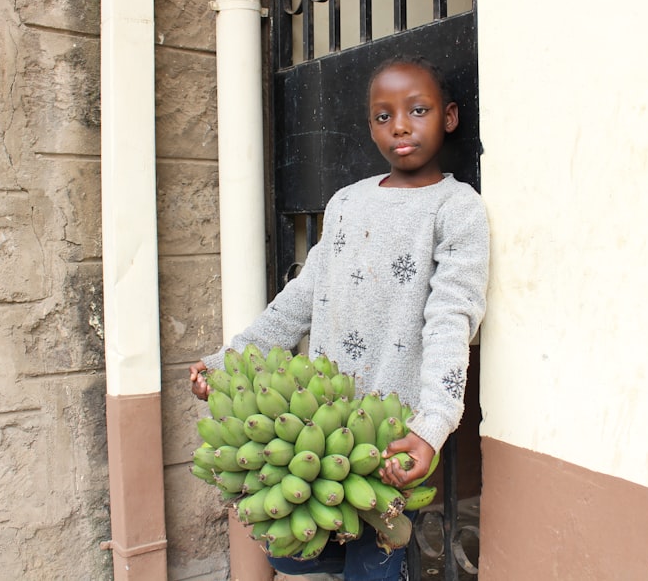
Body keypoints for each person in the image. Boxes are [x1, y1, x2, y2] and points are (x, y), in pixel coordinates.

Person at [189, 54, 489, 581]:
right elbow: (302, 296)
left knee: (371, 570)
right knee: (285, 552)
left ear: (449, 117)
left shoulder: (456, 208)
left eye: (417, 110)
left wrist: (432, 425)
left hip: (390, 432)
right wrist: (229, 359)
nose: (399, 125)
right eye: (382, 115)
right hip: (318, 426)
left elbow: (452, 318)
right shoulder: (346, 202)